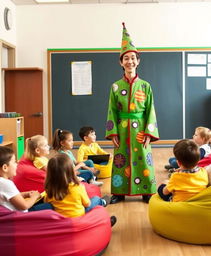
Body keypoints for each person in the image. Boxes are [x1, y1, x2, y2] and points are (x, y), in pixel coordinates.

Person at [105, 23, 159, 204]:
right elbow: (111, 110)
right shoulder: (115, 86)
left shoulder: (146, 86)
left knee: (143, 158)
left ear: (138, 61)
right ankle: (119, 193)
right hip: (121, 128)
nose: (130, 61)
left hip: (141, 129)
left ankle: (146, 191)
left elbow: (151, 110)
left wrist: (150, 133)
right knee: (121, 159)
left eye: (133, 58)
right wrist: (112, 132)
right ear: (121, 62)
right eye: (126, 58)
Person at [44, 154, 116, 226]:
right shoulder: (77, 187)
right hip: (79, 218)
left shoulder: (49, 189)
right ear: (71, 172)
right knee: (95, 199)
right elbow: (87, 204)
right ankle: (102, 202)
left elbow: (46, 201)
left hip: (62, 220)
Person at [0, 146, 41, 211]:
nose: (17, 164)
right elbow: (24, 206)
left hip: (15, 215)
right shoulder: (6, 183)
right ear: (5, 168)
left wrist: (25, 194)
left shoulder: (2, 182)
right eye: (14, 162)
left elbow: (11, 197)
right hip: (21, 217)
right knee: (50, 206)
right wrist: (34, 196)